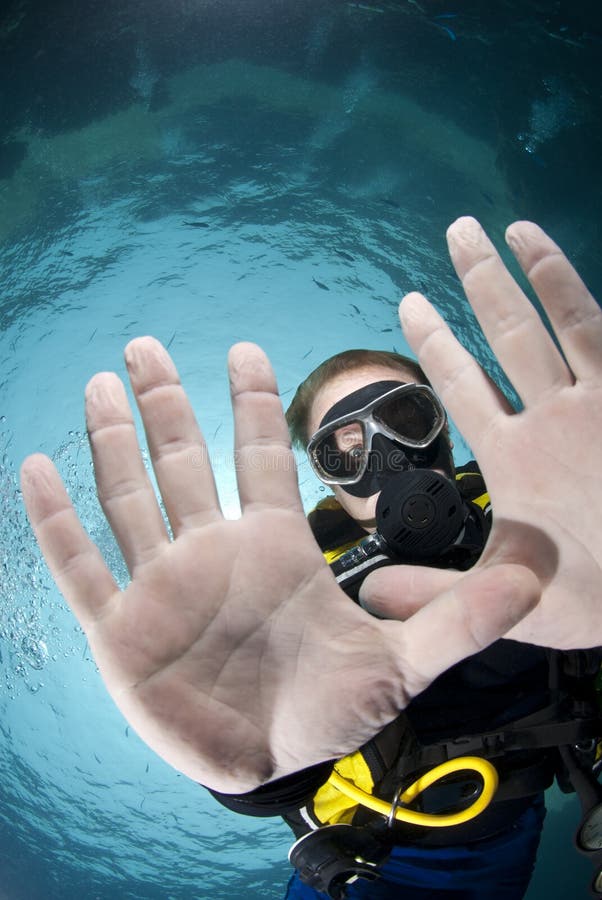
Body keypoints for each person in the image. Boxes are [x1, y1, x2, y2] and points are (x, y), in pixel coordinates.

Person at [20, 218, 602, 895]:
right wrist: (254, 766)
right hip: (400, 851)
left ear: (447, 423)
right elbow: (276, 746)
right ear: (326, 482)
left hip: (511, 822)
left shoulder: (563, 517)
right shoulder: (300, 591)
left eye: (409, 420)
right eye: (346, 451)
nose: (388, 459)